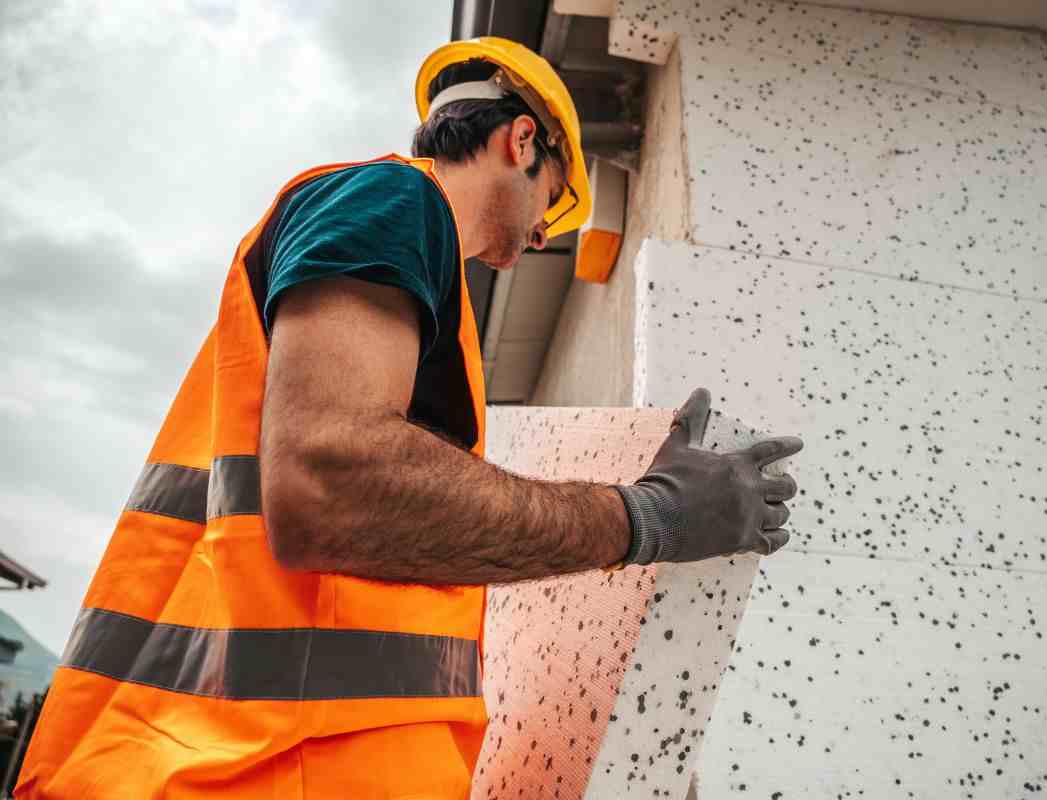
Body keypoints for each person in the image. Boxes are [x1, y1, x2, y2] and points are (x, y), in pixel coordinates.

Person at [15, 38, 800, 799]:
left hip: (258, 762)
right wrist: (649, 518)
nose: (539, 237)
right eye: (554, 203)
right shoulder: (394, 199)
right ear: (521, 140)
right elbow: (334, 488)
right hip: (262, 768)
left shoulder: (417, 275)